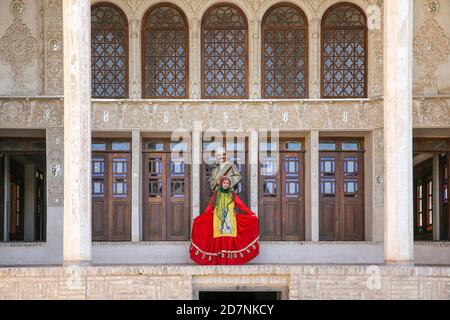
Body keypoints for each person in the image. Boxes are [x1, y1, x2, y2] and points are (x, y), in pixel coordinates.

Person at [190, 176, 259, 265]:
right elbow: (210, 206)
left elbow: (240, 204)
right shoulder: (217, 193)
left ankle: (229, 260)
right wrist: (202, 217)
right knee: (218, 236)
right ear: (221, 184)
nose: (226, 185)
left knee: (229, 237)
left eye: (227, 183)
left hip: (230, 219)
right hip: (218, 219)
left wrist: (251, 213)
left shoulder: (231, 194)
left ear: (229, 185)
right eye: (224, 183)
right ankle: (219, 260)